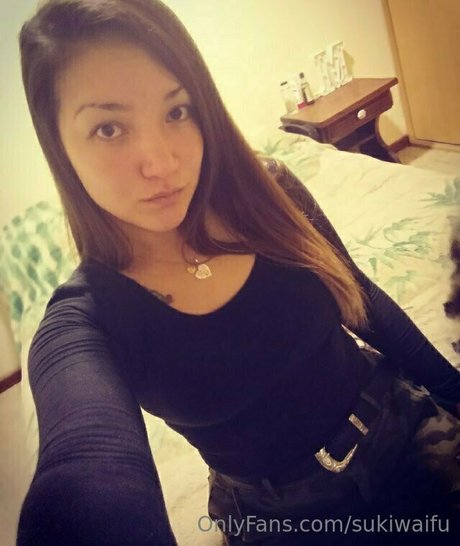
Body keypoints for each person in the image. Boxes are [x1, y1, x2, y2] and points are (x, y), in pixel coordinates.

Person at [17, 1, 460, 544]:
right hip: (279, 517)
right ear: (59, 147)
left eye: (177, 111)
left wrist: (453, 390)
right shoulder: (84, 321)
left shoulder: (266, 192)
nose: (162, 163)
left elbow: (360, 298)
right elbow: (85, 472)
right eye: (109, 128)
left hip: (400, 423)